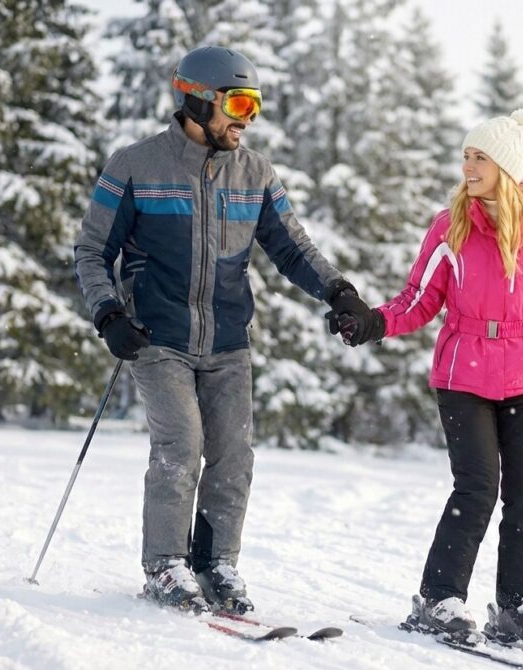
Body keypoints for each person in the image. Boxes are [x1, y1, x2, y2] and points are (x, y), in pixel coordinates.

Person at [74, 46, 376, 614]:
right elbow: (92, 250)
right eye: (238, 103)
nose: (247, 119)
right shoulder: (135, 165)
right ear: (196, 98)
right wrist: (108, 313)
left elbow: (291, 246)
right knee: (181, 445)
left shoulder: (255, 172)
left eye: (256, 107)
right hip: (156, 336)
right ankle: (166, 565)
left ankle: (216, 565)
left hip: (229, 340)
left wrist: (339, 291)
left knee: (234, 455)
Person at [328, 108, 523, 648]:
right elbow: (419, 299)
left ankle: (518, 608)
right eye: (466, 156)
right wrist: (373, 321)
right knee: (477, 487)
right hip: (462, 371)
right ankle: (439, 600)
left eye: (479, 158)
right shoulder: (450, 225)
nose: (468, 166)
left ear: (506, 165)